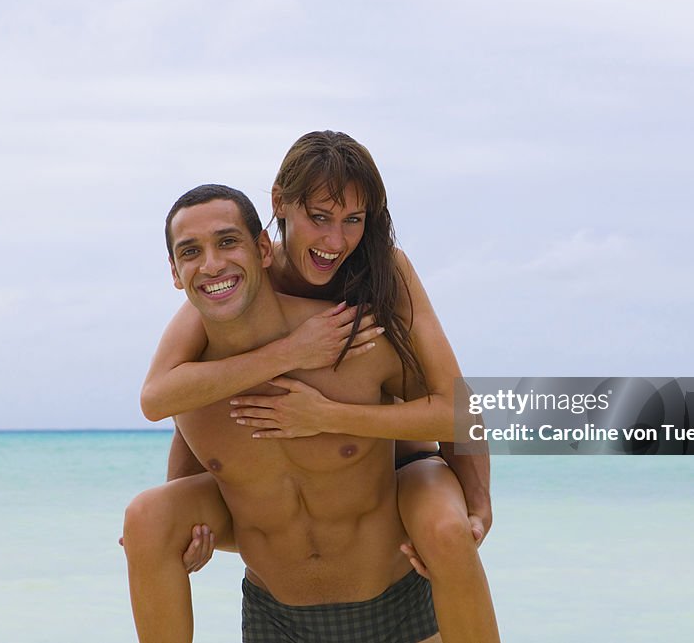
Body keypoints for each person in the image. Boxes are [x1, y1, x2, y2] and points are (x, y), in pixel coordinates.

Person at [136, 131, 499, 642]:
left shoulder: (381, 271)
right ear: (278, 206)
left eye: (353, 220)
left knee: (443, 519)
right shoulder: (237, 278)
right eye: (320, 217)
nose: (334, 242)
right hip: (282, 549)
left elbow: (458, 404)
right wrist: (293, 352)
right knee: (150, 516)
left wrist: (478, 506)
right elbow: (169, 400)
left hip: (393, 463)